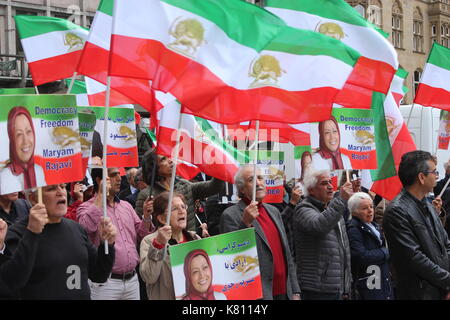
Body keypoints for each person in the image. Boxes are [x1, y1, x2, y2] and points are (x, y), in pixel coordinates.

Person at [0, 184, 116, 299]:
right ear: (33, 198)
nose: (61, 192)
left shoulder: (76, 228)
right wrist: (32, 233)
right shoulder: (17, 234)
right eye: (51, 189)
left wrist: (107, 244)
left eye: (63, 187)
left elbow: (99, 275)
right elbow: (11, 283)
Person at [220, 165, 301, 300]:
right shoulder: (230, 215)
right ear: (242, 189)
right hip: (260, 295)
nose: (258, 183)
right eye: (251, 180)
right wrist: (245, 224)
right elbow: (232, 259)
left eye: (260, 178)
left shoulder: (273, 211)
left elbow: (286, 254)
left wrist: (295, 290)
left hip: (285, 292)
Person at [77, 167, 154, 300]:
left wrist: (146, 216)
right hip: (105, 284)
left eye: (119, 174)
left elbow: (142, 234)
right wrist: (101, 195)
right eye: (113, 175)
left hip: (132, 281)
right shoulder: (85, 207)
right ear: (99, 180)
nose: (119, 178)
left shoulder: (126, 206)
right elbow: (85, 228)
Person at [383, 150, 450, 300]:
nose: (437, 176)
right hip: (419, 293)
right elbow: (414, 258)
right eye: (434, 172)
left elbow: (445, 246)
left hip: (439, 289)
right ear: (421, 177)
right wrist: (447, 281)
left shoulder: (428, 205)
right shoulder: (397, 211)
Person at [294, 169, 353, 300]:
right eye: (324, 183)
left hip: (337, 287)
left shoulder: (333, 209)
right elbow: (319, 226)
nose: (331, 186)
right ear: (311, 189)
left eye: (331, 182)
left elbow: (343, 250)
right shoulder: (303, 209)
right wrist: (341, 199)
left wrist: (346, 284)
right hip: (317, 289)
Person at [136, 149, 224, 232]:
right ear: (153, 167)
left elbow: (214, 187)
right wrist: (147, 216)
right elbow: (141, 231)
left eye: (169, 156)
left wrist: (218, 164)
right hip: (165, 246)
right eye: (163, 159)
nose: (170, 160)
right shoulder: (146, 195)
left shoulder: (184, 185)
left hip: (189, 243)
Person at [139, 192, 204, 300]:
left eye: (183, 206)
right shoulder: (149, 241)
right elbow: (149, 276)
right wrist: (158, 245)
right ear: (162, 219)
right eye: (174, 208)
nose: (181, 211)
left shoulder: (194, 238)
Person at [346, 192, 393, 300]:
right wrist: (384, 253)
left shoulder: (374, 226)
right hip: (369, 281)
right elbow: (360, 256)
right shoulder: (353, 229)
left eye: (371, 206)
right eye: (364, 208)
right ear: (354, 211)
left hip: (382, 279)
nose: (370, 210)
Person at [0, 106, 46, 194]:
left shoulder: (39, 170)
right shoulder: (6, 176)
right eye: (18, 134)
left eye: (28, 131)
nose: (26, 141)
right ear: (11, 139)